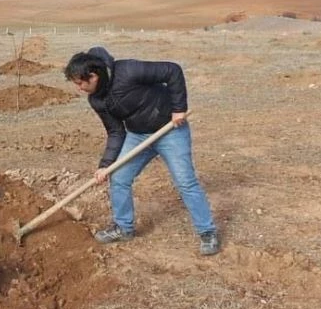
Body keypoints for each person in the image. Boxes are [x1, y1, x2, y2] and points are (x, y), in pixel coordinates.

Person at [64, 46, 220, 256]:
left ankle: (207, 232)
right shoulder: (97, 100)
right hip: (138, 136)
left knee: (185, 181)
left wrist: (178, 109)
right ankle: (124, 228)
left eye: (80, 83)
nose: (79, 88)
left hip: (170, 129)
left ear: (93, 76)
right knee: (118, 177)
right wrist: (105, 165)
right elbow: (116, 131)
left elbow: (172, 71)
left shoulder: (128, 70)